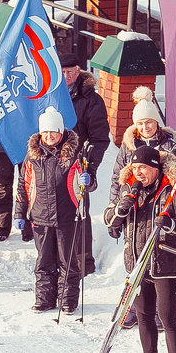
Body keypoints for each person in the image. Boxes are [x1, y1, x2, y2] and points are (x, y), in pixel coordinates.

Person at [104, 145, 176, 353]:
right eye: (134, 168)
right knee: (144, 316)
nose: (138, 173)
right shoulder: (129, 188)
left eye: (143, 168)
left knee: (168, 319)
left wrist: (172, 224)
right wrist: (120, 209)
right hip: (137, 264)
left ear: (155, 168)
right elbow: (109, 219)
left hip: (166, 264)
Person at [108, 85, 176, 329]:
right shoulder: (128, 146)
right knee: (134, 259)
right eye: (141, 124)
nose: (145, 127)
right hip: (134, 209)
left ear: (157, 123)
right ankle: (132, 307)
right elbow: (117, 177)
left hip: (159, 207)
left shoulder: (169, 145)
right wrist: (114, 209)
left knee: (157, 261)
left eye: (149, 122)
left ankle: (160, 312)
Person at [15, 107, 88, 314]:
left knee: (67, 261)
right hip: (40, 217)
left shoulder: (73, 154)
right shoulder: (32, 158)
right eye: (45, 133)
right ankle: (44, 299)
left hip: (67, 216)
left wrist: (88, 181)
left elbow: (86, 184)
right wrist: (19, 213)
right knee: (44, 261)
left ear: (61, 132)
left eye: (53, 132)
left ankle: (67, 300)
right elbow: (23, 186)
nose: (49, 136)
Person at [60, 53, 110, 275]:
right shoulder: (51, 93)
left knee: (79, 213)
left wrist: (90, 168)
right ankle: (58, 256)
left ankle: (83, 261)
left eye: (70, 72)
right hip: (53, 162)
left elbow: (99, 138)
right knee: (55, 212)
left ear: (78, 70)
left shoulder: (90, 98)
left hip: (78, 164)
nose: (66, 76)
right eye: (61, 72)